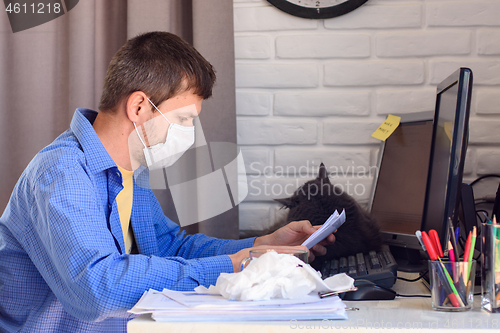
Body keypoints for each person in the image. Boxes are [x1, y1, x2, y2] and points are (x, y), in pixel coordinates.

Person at [0, 31, 335, 333]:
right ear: (139, 107)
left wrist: (259, 247)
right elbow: (99, 288)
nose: (189, 133)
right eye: (183, 119)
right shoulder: (63, 173)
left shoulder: (131, 169)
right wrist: (234, 264)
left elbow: (169, 247)